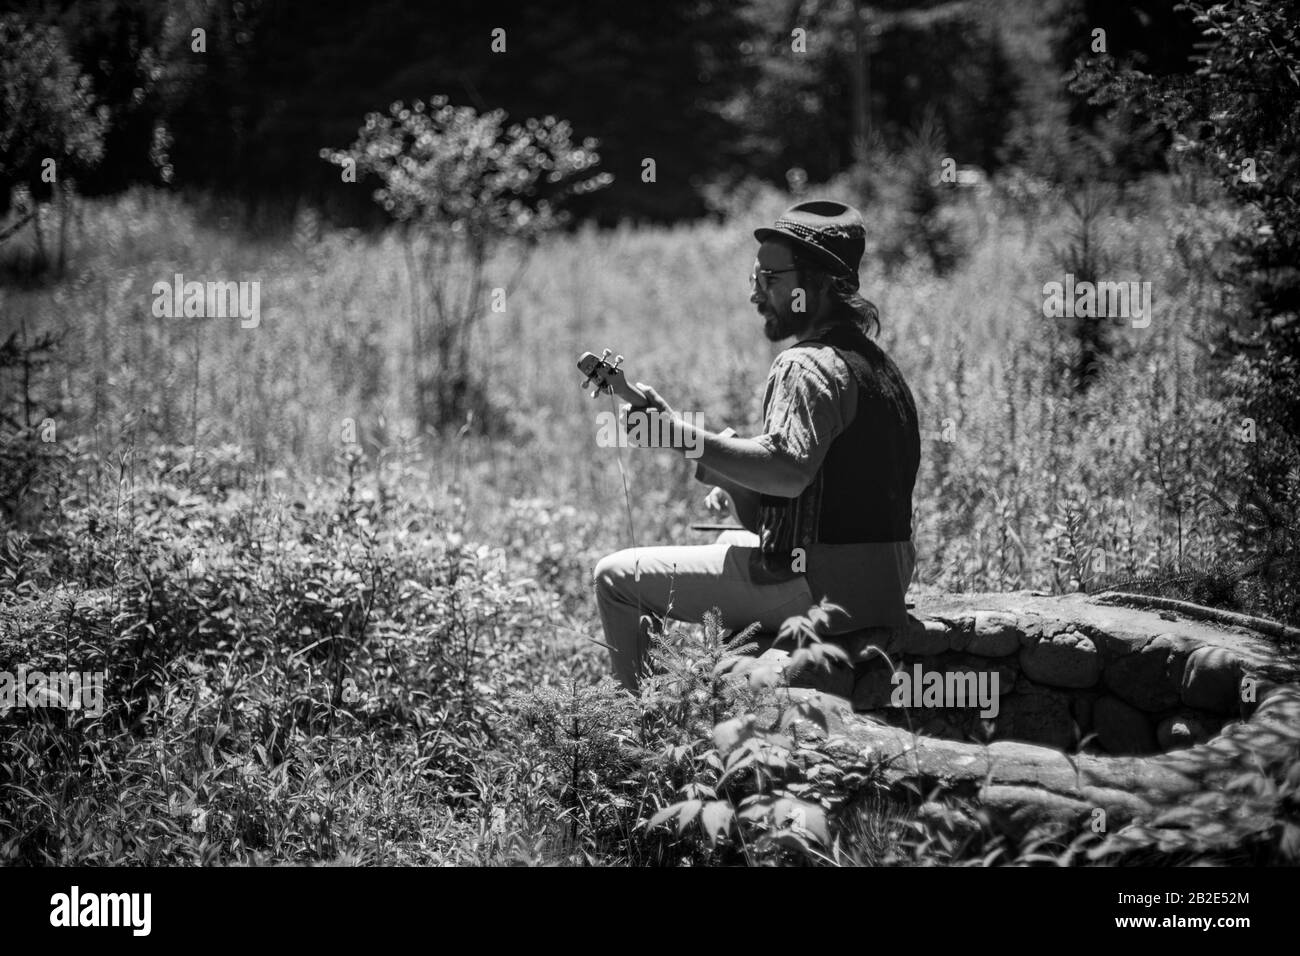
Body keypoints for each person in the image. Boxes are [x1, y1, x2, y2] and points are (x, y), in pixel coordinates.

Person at [593, 199, 921, 692]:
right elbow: (811, 494)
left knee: (614, 577)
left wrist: (674, 433)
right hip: (881, 581)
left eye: (770, 279)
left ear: (822, 282)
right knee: (727, 541)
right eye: (755, 279)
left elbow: (787, 470)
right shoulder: (876, 365)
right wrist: (709, 459)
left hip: (824, 589)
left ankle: (634, 727)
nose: (756, 295)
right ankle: (670, 700)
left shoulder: (806, 365)